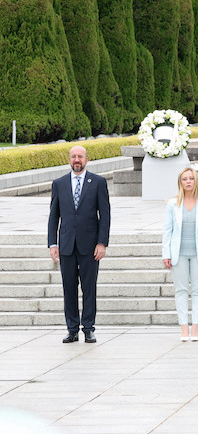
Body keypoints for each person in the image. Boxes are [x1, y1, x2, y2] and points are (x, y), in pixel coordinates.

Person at [47, 146, 110, 343]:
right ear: (69, 160)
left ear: (86, 160)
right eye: (73, 156)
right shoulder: (59, 183)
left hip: (90, 246)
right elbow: (53, 215)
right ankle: (72, 328)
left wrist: (102, 243)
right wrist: (52, 243)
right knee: (69, 287)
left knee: (89, 287)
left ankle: (88, 328)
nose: (77, 160)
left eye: (80, 157)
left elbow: (105, 215)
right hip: (66, 245)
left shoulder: (98, 182)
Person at [162, 167, 198, 341]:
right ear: (180, 182)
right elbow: (167, 231)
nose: (188, 182)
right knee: (181, 290)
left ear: (196, 181)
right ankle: (184, 328)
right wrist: (166, 254)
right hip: (178, 254)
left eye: (191, 179)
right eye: (185, 179)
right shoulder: (172, 204)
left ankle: (195, 329)